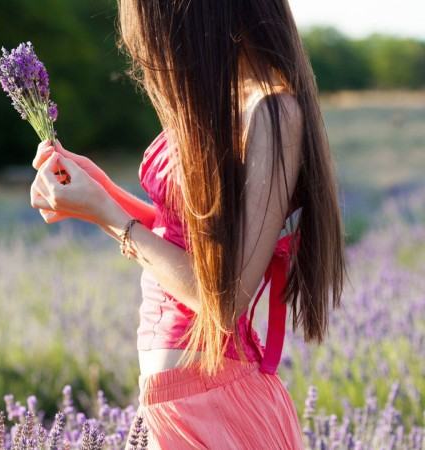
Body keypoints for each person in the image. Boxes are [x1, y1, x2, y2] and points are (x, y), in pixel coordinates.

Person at [29, 1, 346, 448]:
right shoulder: (220, 103)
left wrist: (108, 214)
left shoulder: (273, 112)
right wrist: (96, 194)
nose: (153, 54)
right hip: (171, 404)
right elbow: (178, 239)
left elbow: (224, 298)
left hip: (216, 407)